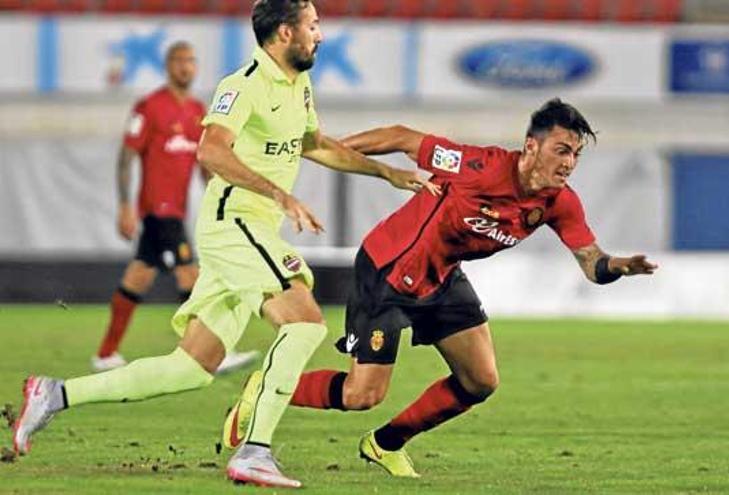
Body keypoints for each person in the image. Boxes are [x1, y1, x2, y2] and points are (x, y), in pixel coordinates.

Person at [12, 0, 435, 489]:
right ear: (283, 33)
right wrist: (277, 192)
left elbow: (314, 144)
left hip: (251, 229)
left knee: (189, 367)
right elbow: (210, 148)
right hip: (234, 222)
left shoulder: (298, 84)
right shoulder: (244, 85)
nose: (320, 35)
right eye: (312, 26)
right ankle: (255, 452)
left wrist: (386, 173)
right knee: (303, 323)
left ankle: (55, 393)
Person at [222, 98, 658, 478]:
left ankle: (386, 444)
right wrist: (322, 152)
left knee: (481, 380)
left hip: (442, 276)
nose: (568, 163)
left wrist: (618, 266)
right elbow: (401, 137)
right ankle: (265, 388)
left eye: (576, 155)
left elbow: (591, 263)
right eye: (562, 150)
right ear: (532, 146)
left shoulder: (559, 203)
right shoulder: (477, 166)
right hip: (388, 271)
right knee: (362, 395)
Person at [94, 40, 258, 374]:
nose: (186, 67)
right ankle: (213, 353)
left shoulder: (198, 110)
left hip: (176, 210)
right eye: (179, 60)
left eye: (191, 61)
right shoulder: (149, 107)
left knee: (138, 277)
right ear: (168, 66)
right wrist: (125, 205)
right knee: (192, 277)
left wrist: (220, 197)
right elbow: (126, 157)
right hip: (158, 210)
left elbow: (204, 162)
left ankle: (106, 353)